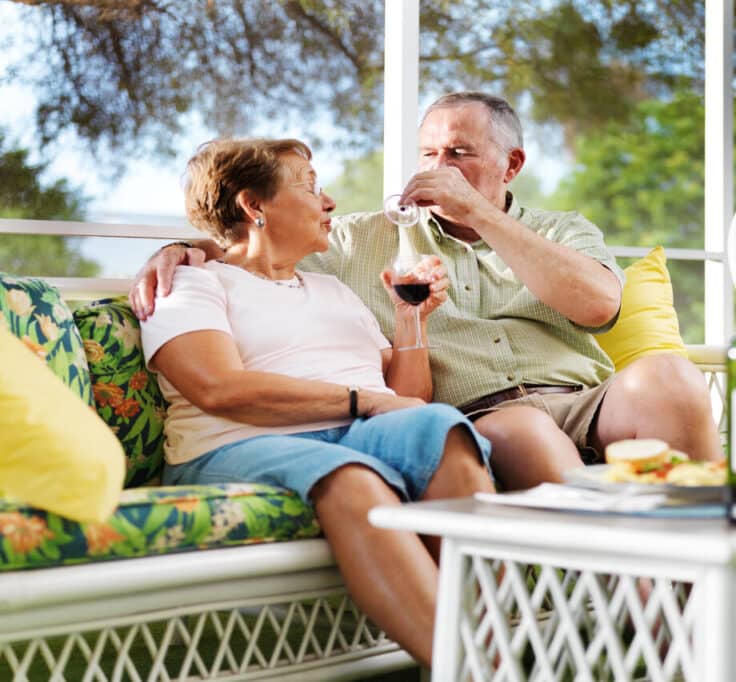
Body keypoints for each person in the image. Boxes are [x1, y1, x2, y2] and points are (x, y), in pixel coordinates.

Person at [132, 92, 722, 491]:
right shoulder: (364, 238)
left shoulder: (560, 230)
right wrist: (183, 249)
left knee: (671, 377)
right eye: (430, 154)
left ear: (511, 165)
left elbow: (599, 304)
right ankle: (621, 595)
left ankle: (707, 573)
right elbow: (261, 244)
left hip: (585, 400)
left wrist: (479, 213)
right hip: (487, 417)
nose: (440, 166)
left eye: (459, 154)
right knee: (526, 429)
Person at [138, 137, 494, 668]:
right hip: (239, 443)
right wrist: (360, 402)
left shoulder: (333, 291)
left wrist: (411, 322)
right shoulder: (191, 283)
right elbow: (219, 388)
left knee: (441, 430)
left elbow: (407, 399)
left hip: (354, 429)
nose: (329, 202)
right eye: (310, 188)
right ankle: (473, 672)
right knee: (351, 476)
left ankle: (495, 648)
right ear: (253, 205)